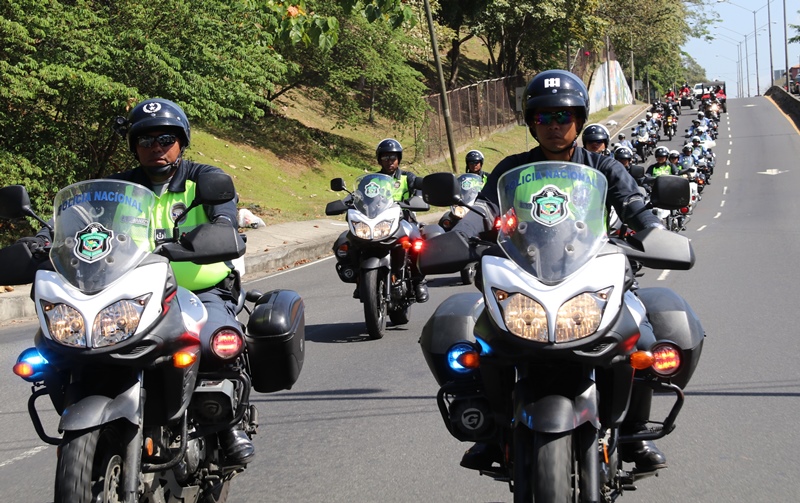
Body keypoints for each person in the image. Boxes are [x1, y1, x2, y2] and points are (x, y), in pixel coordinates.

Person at [453, 69, 668, 473]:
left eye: (563, 116)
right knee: (482, 342)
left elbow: (634, 206)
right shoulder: (512, 170)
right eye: (544, 117)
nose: (554, 126)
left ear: (579, 120)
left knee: (642, 339)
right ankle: (493, 433)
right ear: (531, 123)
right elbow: (484, 209)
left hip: (591, 276)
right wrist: (458, 236)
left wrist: (654, 232)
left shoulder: (603, 167)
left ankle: (634, 432)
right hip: (525, 278)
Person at [21, 98, 256, 465]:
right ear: (134, 146)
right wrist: (44, 237)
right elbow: (79, 215)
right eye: (145, 141)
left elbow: (224, 219)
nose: (155, 148)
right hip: (133, 291)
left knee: (215, 344)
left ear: (181, 142)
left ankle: (227, 426)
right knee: (65, 348)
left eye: (165, 139)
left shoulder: (204, 180)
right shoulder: (117, 187)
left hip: (199, 289)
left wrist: (218, 232)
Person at [373, 138, 429, 302]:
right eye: (385, 157)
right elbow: (362, 195)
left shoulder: (407, 177)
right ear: (379, 159)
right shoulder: (374, 179)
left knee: (417, 243)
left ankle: (419, 282)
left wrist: (418, 198)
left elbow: (419, 190)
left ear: (399, 159)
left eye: (393, 157)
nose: (389, 161)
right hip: (379, 221)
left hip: (404, 219)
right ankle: (361, 278)